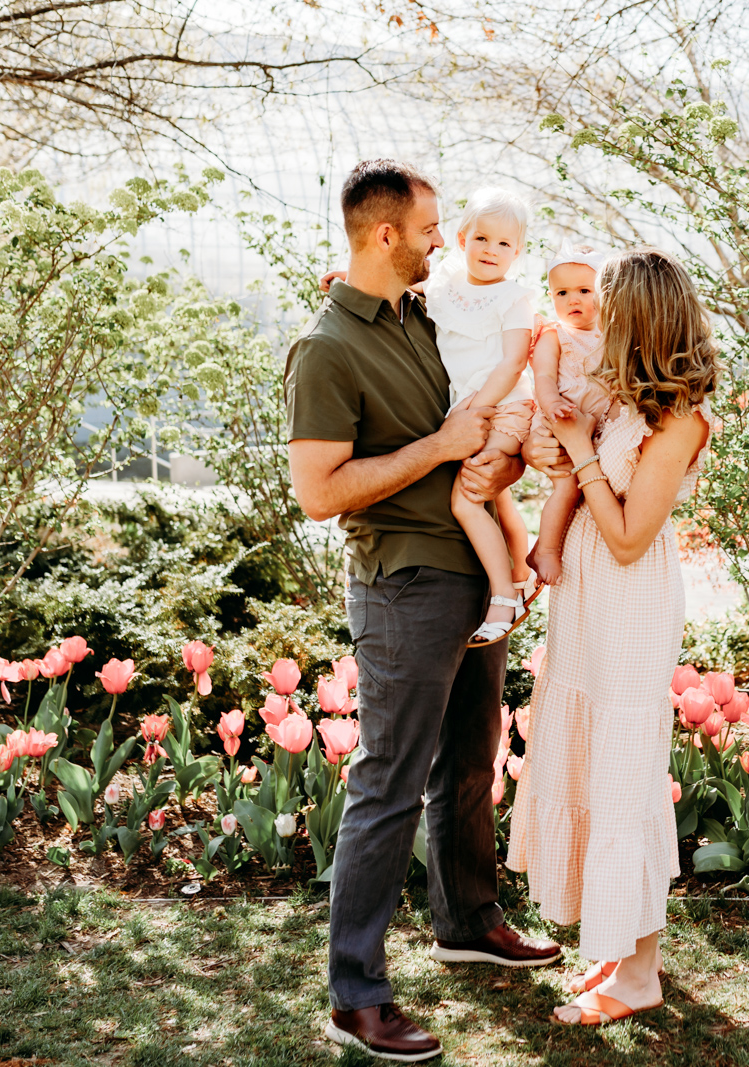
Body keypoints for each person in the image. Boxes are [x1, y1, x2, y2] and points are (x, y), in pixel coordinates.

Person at [286, 158, 561, 1063]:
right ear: (384, 234)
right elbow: (320, 492)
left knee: (473, 760)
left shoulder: (423, 310)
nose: (443, 240)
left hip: (476, 572)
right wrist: (440, 446)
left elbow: (498, 385)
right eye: (429, 227)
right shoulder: (327, 348)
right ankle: (356, 994)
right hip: (405, 580)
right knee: (388, 781)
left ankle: (467, 920)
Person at [508, 247, 721, 1025]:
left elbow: (631, 536)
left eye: (612, 309)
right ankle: (622, 944)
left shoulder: (683, 418)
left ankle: (641, 974)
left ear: (642, 321)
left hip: (628, 594)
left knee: (624, 773)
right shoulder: (630, 399)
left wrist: (575, 456)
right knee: (595, 760)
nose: (596, 316)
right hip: (592, 594)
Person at [421, 188, 539, 644]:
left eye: (504, 244)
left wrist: (479, 407)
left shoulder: (514, 299)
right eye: (482, 239)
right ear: (461, 237)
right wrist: (349, 278)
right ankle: (520, 572)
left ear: (518, 251)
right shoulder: (447, 285)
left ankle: (503, 599)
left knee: (467, 499)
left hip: (505, 406)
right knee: (500, 498)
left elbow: (512, 363)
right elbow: (403, 286)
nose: (492, 250)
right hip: (469, 409)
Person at [526, 247, 612, 586]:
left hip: (597, 425)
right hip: (561, 417)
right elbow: (543, 377)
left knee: (596, 485)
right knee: (567, 484)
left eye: (583, 291)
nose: (572, 300)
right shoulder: (554, 334)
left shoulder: (611, 334)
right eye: (562, 293)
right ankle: (544, 549)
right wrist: (551, 405)